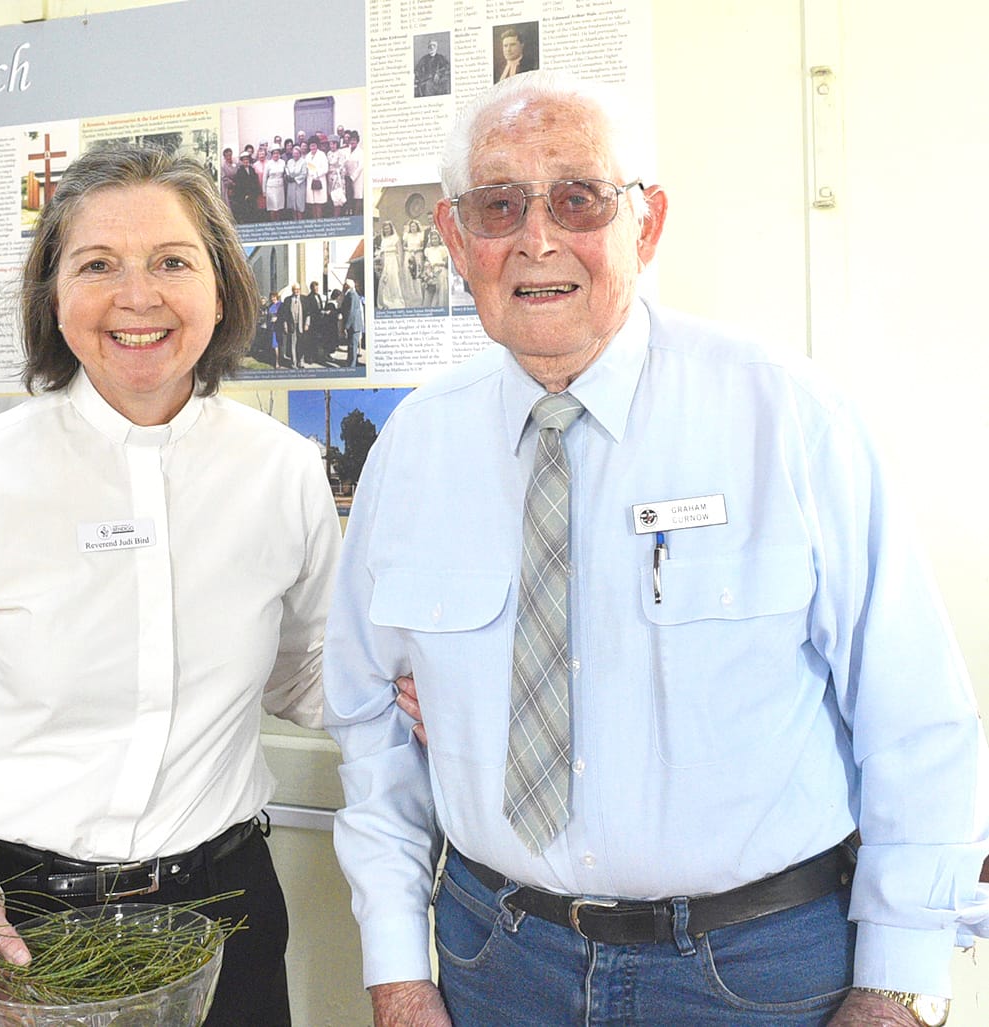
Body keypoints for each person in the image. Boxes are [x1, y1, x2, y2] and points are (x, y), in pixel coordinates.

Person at [323, 70, 988, 1027]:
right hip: (493, 959)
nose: (536, 239)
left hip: (760, 971)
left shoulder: (786, 418)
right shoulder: (413, 449)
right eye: (500, 205)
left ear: (647, 222)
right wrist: (396, 968)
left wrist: (897, 989)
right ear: (455, 239)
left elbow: (917, 722)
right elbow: (369, 725)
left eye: (577, 198)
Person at [0, 145, 343, 1027]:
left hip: (219, 912)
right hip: (10, 913)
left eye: (172, 262)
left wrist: (433, 696)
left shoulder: (284, 471)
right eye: (97, 264)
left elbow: (305, 670)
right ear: (54, 297)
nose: (137, 296)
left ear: (219, 286)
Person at [276, 283, 307, 369]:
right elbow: (284, 315)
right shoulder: (288, 300)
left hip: (302, 325)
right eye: (295, 289)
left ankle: (301, 362)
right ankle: (294, 363)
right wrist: (285, 325)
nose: (297, 291)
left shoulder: (304, 299)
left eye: (298, 289)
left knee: (301, 344)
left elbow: (308, 313)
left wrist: (307, 324)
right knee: (293, 344)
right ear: (292, 290)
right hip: (292, 325)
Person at [376, 221, 405, 310]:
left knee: (393, 279)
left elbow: (400, 252)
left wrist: (400, 265)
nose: (386, 230)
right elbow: (381, 252)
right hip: (385, 261)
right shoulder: (383, 239)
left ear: (391, 228)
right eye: (385, 228)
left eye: (388, 228)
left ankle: (395, 300)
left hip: (393, 260)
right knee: (385, 280)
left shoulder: (395, 238)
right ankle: (385, 300)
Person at [339, 277, 365, 368]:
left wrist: (346, 326)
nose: (343, 286)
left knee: (353, 346)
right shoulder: (349, 294)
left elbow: (351, 312)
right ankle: (350, 362)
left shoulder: (352, 295)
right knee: (351, 346)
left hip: (354, 326)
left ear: (348, 286)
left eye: (345, 285)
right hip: (353, 326)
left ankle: (352, 365)